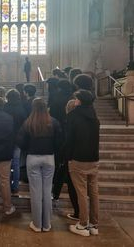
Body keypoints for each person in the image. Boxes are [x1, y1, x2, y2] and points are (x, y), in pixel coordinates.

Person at [17, 98, 61, 232]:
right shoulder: (53, 122)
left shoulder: (28, 122)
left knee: (35, 192)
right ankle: (47, 224)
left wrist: (27, 148)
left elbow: (20, 141)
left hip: (33, 157)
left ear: (33, 108)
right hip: (49, 157)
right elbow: (60, 142)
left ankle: (37, 224)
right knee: (47, 191)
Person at [67, 90, 100, 237]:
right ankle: (94, 224)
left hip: (78, 158)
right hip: (93, 158)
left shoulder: (73, 116)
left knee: (81, 193)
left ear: (79, 101)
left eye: (76, 99)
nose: (74, 101)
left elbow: (70, 140)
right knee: (94, 192)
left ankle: (82, 224)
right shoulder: (94, 117)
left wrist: (67, 156)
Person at [4, 89, 27, 195]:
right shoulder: (21, 108)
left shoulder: (5, 107)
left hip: (6, 138)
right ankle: (16, 186)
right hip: (18, 139)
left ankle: (6, 185)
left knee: (7, 163)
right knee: (16, 163)